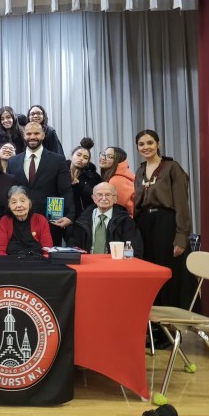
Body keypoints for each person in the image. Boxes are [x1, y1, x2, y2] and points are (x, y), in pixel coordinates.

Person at [134, 129, 193, 308]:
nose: (146, 147)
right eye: (141, 144)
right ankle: (153, 327)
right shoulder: (140, 170)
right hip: (144, 225)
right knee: (148, 273)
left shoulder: (172, 168)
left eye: (150, 143)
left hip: (166, 224)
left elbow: (182, 205)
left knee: (168, 273)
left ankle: (173, 326)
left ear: (158, 144)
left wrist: (181, 236)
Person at [7, 122, 75, 245]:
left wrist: (70, 215)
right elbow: (10, 192)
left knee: (50, 261)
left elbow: (65, 190)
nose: (32, 136)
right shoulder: (12, 162)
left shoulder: (58, 160)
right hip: (20, 221)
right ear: (24, 135)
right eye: (29, 133)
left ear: (43, 135)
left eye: (36, 133)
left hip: (51, 221)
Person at [66, 182, 143, 257]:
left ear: (115, 198)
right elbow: (73, 247)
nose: (104, 198)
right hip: (87, 263)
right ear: (93, 198)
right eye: (99, 195)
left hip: (115, 265)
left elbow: (135, 250)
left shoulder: (125, 221)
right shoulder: (81, 221)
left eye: (108, 195)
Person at [0, 186, 53, 256]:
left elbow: (47, 249)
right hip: (12, 263)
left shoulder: (40, 219)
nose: (19, 205)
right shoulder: (5, 221)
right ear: (8, 205)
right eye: (13, 202)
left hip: (37, 262)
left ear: (30, 202)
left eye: (22, 201)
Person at [68, 138, 102, 220]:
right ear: (71, 156)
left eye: (85, 157)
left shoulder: (94, 176)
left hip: (83, 217)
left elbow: (96, 196)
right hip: (61, 214)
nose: (81, 159)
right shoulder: (60, 171)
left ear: (87, 162)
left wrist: (78, 184)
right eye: (78, 155)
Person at [99, 146, 135, 216]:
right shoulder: (118, 176)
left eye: (109, 156)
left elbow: (118, 210)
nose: (103, 158)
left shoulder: (116, 180)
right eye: (103, 154)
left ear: (118, 161)